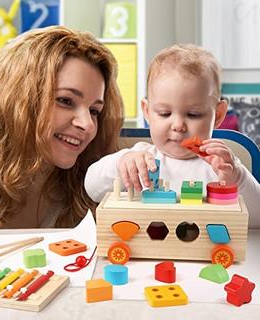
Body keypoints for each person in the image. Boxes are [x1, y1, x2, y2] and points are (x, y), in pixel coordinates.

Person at [0, 26, 124, 234]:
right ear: (15, 101)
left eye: (94, 111)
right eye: (65, 101)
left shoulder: (92, 190)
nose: (88, 124)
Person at [85, 44, 260, 228]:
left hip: (206, 253)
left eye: (193, 114)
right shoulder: (141, 158)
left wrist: (237, 179)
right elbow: (91, 188)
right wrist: (121, 163)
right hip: (147, 253)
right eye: (164, 113)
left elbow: (257, 221)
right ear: (147, 111)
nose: (178, 126)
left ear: (217, 115)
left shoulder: (222, 166)